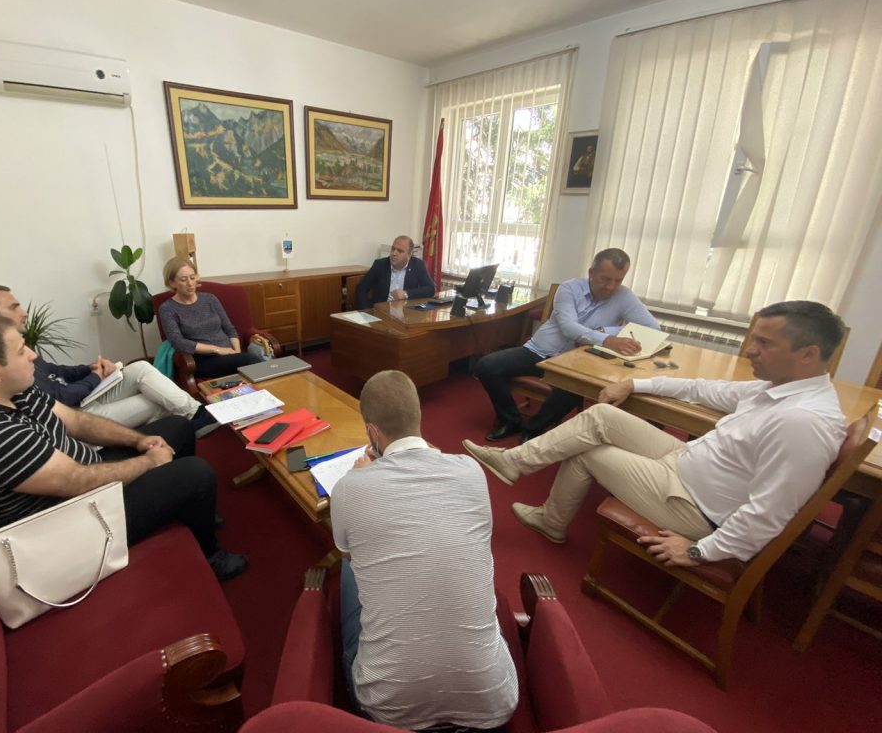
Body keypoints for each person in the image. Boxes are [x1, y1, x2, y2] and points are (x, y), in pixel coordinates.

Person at [463, 301, 847, 566]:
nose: (750, 349)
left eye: (764, 343)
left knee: (587, 452)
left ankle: (551, 519)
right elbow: (701, 389)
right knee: (601, 417)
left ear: (808, 354)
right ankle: (514, 463)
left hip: (695, 507)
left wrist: (699, 551)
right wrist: (634, 383)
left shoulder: (804, 422)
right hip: (684, 464)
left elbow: (771, 513)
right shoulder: (777, 388)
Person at [0, 312, 247, 580]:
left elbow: (75, 421)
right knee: (194, 473)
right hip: (64, 529)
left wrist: (138, 439)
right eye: (22, 350)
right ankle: (212, 558)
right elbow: (77, 482)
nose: (33, 355)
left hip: (76, 478)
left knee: (176, 427)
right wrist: (151, 462)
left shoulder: (1, 389)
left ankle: (190, 511)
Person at [331, 370, 518, 731]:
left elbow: (352, 556)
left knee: (350, 568)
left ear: (372, 433)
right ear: (419, 418)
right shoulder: (471, 471)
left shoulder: (348, 487)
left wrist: (363, 475)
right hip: (494, 705)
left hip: (387, 710)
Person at [0, 285, 218, 437]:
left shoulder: (18, 345)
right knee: (155, 399)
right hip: (75, 417)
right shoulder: (3, 361)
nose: (24, 312)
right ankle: (169, 436)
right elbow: (62, 397)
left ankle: (196, 414)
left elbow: (56, 371)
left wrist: (90, 368)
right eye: (14, 307)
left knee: (140, 368)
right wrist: (96, 377)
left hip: (80, 400)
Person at [474, 248, 658, 443]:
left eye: (618, 280)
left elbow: (652, 328)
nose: (611, 286)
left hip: (575, 361)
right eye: (605, 279)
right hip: (538, 351)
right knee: (486, 366)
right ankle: (510, 420)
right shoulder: (569, 288)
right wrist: (607, 339)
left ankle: (534, 428)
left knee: (575, 388)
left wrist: (606, 330)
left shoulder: (624, 296)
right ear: (591, 273)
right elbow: (569, 327)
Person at [158, 257, 265, 379]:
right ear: (172, 283)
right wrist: (217, 350)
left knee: (252, 361)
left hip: (230, 354)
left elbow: (230, 329)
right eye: (183, 279)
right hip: (204, 360)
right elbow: (178, 342)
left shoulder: (210, 299)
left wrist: (236, 352)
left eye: (192, 277)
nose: (190, 283)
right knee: (251, 360)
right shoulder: (167, 308)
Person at [355, 235, 436, 309]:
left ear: (409, 255)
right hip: (382, 311)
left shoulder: (417, 265)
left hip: (406, 312)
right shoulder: (380, 265)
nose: (394, 253)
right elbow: (361, 288)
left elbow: (430, 289)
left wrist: (406, 294)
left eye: (400, 251)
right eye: (393, 249)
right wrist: (366, 310)